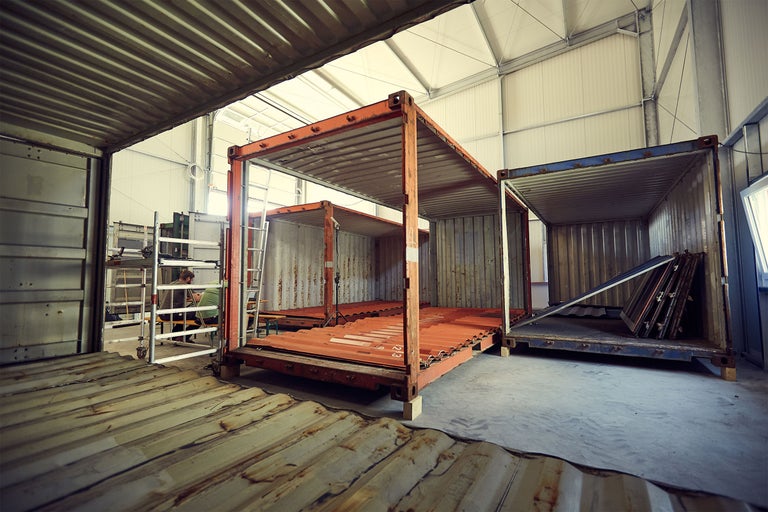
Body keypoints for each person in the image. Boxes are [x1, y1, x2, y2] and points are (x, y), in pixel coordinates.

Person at [158, 269, 200, 341]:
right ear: (188, 278)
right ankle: (183, 337)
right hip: (171, 314)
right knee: (199, 316)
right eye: (191, 279)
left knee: (185, 315)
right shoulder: (184, 286)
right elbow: (196, 298)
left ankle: (175, 336)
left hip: (162, 314)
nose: (191, 281)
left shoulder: (173, 283)